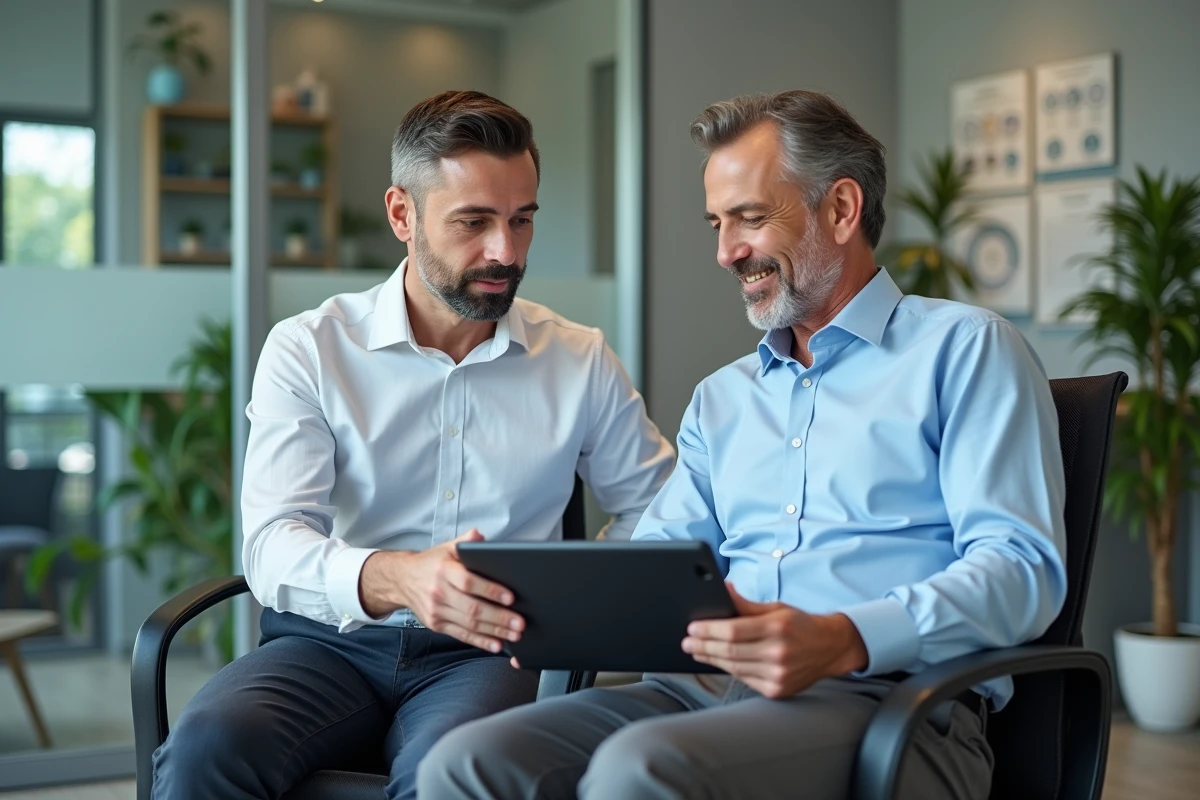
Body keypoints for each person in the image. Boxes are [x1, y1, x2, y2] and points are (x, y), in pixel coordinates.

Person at [418, 89, 1068, 800]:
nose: (728, 252)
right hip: (704, 694)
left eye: (751, 219)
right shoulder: (724, 398)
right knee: (466, 762)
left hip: (887, 704)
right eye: (718, 224)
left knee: (640, 770)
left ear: (842, 210)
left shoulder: (966, 351)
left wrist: (847, 636)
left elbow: (1023, 571)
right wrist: (556, 603)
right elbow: (657, 567)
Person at [150, 90, 674, 800]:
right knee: (209, 745)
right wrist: (399, 579)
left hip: (493, 650)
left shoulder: (578, 360)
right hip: (324, 643)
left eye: (522, 221)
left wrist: (566, 595)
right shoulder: (310, 348)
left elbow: (661, 513)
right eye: (474, 222)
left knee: (451, 773)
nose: (506, 252)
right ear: (403, 214)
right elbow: (272, 543)